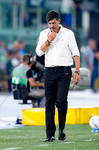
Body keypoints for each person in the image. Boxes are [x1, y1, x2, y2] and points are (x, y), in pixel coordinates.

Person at [36, 10, 80, 142]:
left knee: (61, 101)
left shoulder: (68, 34)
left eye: (53, 23)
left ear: (58, 21)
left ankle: (62, 129)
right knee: (49, 103)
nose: (51, 26)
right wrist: (48, 41)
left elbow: (76, 53)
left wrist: (77, 71)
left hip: (64, 71)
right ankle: (50, 134)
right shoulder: (44, 34)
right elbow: (38, 53)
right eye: (49, 23)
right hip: (49, 71)